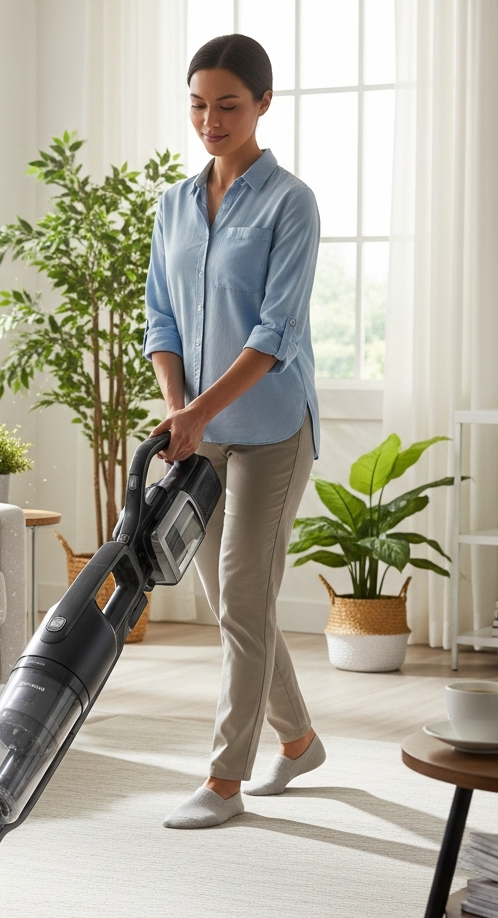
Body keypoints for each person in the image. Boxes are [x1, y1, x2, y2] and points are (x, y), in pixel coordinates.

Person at [144, 34, 325, 829]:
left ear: (262, 105)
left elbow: (275, 331)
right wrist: (179, 407)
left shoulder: (291, 203)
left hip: (271, 428)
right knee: (233, 605)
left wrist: (199, 412)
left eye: (227, 104)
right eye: (197, 104)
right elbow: (161, 316)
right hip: (201, 430)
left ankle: (224, 779)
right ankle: (300, 740)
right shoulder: (173, 207)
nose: (210, 119)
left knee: (246, 593)